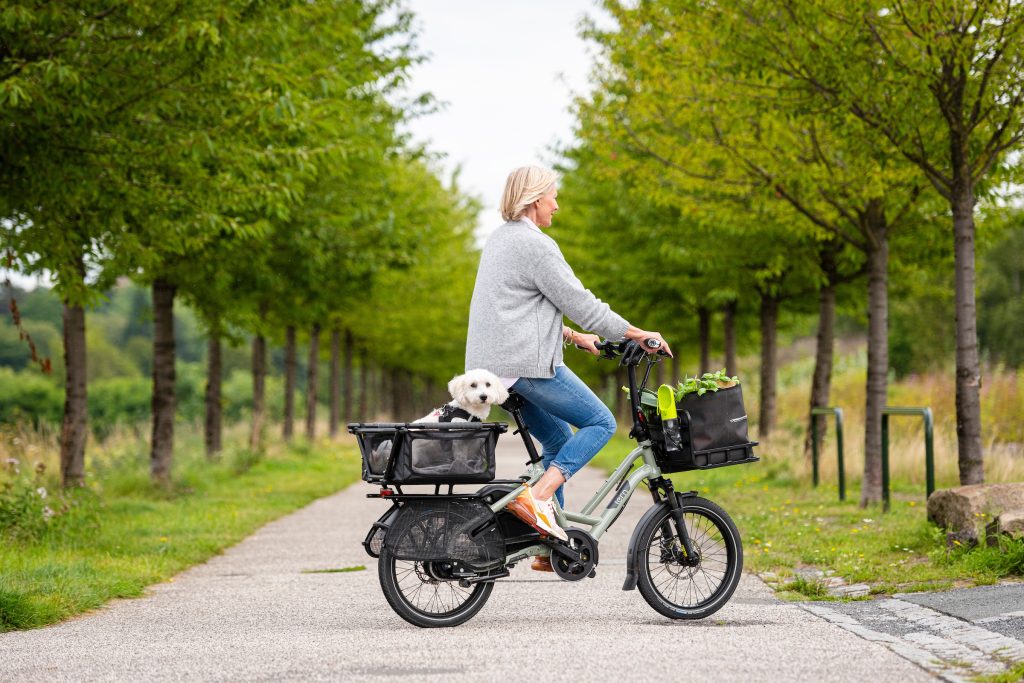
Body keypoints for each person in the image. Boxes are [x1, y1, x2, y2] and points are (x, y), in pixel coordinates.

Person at [465, 165, 671, 571]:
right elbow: (581, 302)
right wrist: (635, 332)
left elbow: (520, 310)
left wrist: (577, 339)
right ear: (535, 199)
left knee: (559, 440)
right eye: (552, 197)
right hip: (523, 366)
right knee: (600, 423)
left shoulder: (500, 240)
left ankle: (546, 546)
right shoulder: (535, 244)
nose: (556, 205)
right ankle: (538, 498)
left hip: (496, 369)